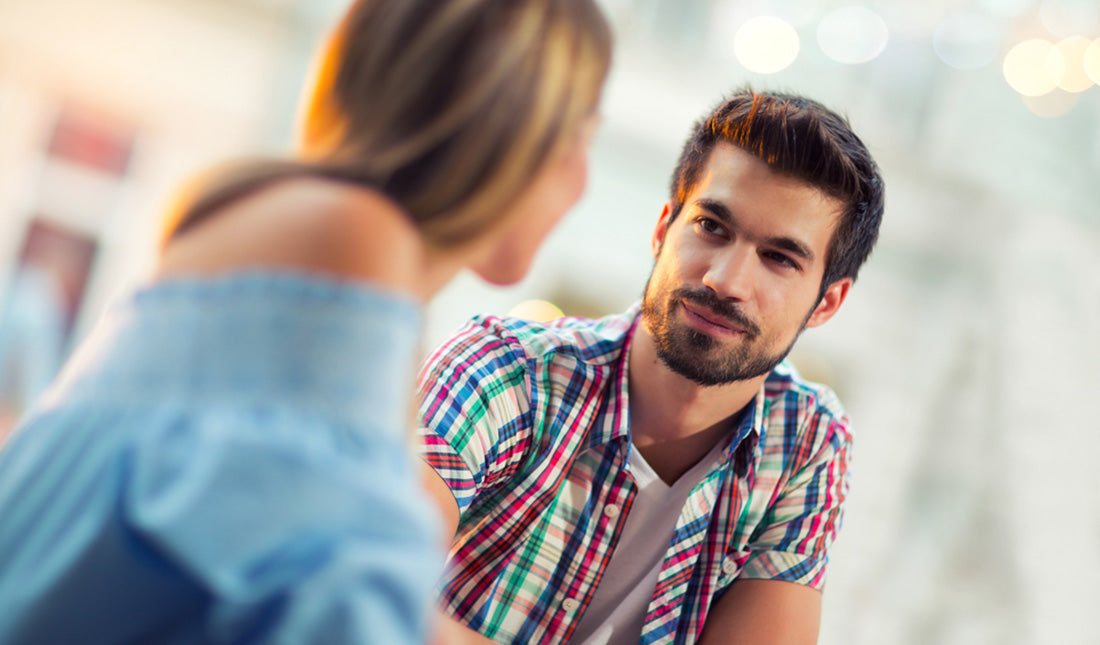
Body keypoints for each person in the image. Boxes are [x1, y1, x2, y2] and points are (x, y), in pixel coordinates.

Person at [0, 1, 611, 643]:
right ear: (512, 132)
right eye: (582, 137)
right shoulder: (353, 242)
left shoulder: (272, 223)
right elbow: (341, 609)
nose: (583, 181)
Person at [417, 88, 886, 644]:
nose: (725, 281)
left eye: (779, 259)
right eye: (712, 227)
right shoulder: (505, 371)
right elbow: (356, 586)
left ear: (827, 302)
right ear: (664, 229)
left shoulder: (805, 441)